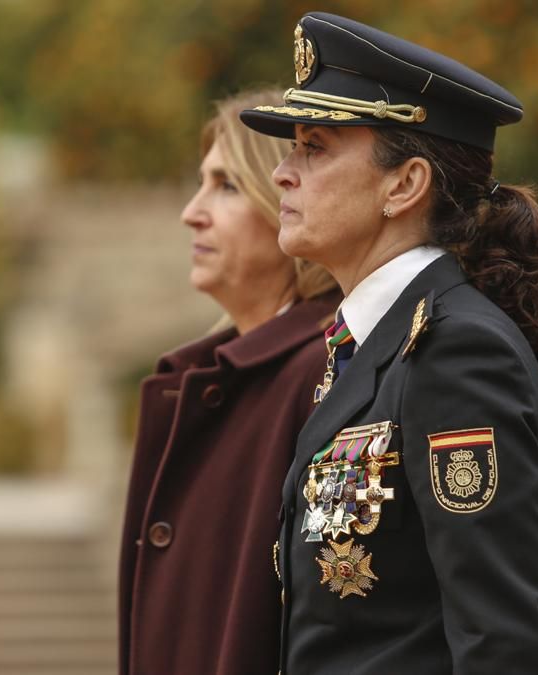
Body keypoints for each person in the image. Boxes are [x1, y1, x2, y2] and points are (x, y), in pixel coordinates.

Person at [239, 12, 538, 674]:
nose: (282, 172)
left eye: (315, 148)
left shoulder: (456, 352)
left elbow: (503, 644)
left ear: (404, 185)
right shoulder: (373, 345)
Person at [117, 88, 341, 675]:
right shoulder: (200, 379)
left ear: (289, 202)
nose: (192, 212)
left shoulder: (327, 372)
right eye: (202, 183)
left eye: (227, 186)